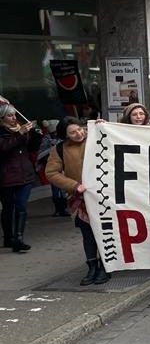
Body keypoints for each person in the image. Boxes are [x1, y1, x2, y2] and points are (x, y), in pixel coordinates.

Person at [45, 117, 109, 285]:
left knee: (104, 231)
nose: (78, 134)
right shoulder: (59, 149)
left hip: (103, 195)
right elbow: (51, 173)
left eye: (80, 129)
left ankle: (105, 266)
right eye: (72, 132)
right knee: (87, 233)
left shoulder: (97, 138)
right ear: (65, 135)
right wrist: (73, 185)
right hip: (79, 197)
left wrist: (103, 127)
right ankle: (92, 266)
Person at [0, 104, 42, 252]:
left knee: (21, 206)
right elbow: (4, 147)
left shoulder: (21, 130)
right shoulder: (4, 132)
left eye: (14, 115)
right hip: (6, 176)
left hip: (25, 174)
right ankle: (8, 238)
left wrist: (36, 134)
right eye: (10, 115)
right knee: (8, 208)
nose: (14, 118)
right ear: (2, 118)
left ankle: (18, 238)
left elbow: (32, 148)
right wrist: (20, 134)